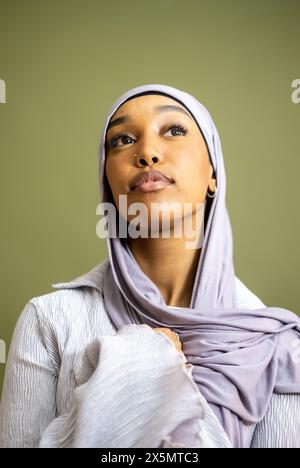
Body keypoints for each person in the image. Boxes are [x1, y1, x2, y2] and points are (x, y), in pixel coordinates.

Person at [0, 84, 299, 448]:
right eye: (122, 139)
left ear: (213, 173)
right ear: (108, 183)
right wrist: (137, 364)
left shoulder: (275, 345)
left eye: (174, 131)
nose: (147, 152)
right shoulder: (48, 321)